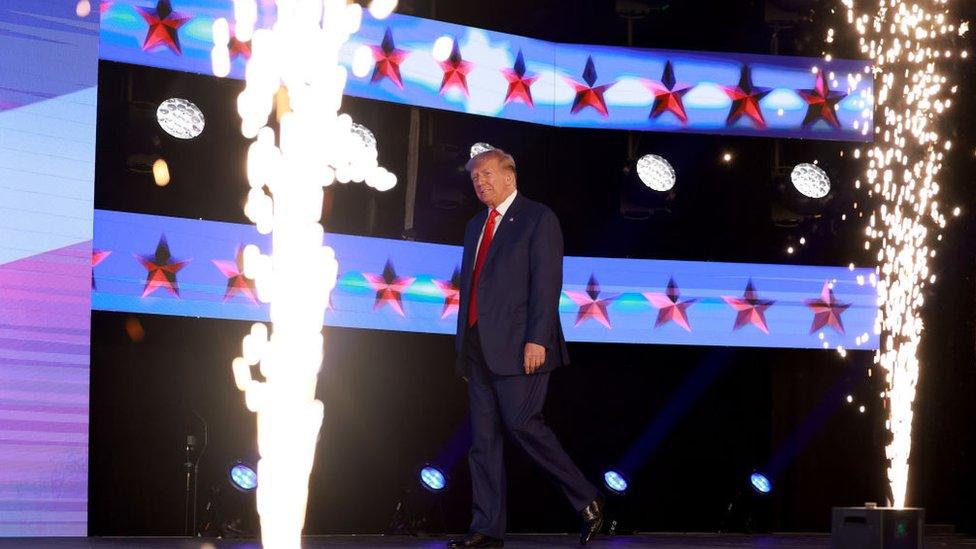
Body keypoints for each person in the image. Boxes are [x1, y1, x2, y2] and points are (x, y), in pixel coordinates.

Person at [447, 148, 603, 548]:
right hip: (479, 345)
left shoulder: (538, 218)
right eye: (474, 177)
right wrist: (465, 346)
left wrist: (538, 338)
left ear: (509, 177)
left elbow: (546, 283)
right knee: (482, 440)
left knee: (522, 425)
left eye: (486, 173)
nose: (479, 181)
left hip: (522, 345)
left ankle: (587, 500)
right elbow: (471, 290)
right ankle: (486, 528)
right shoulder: (473, 226)